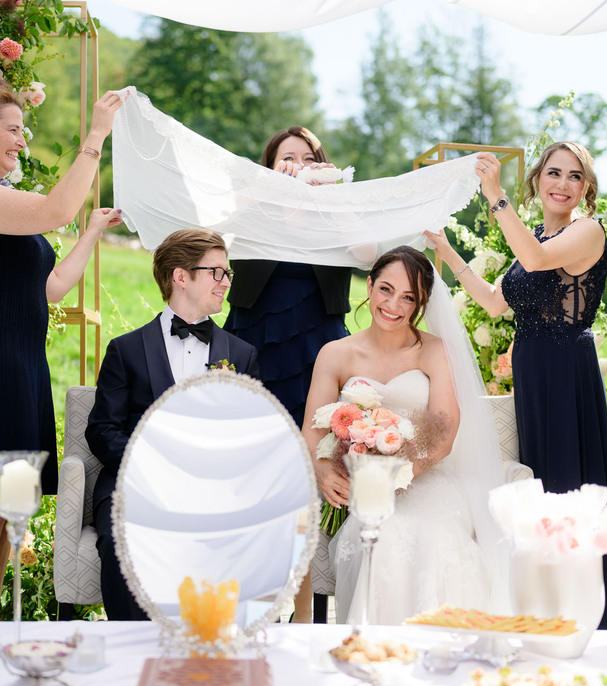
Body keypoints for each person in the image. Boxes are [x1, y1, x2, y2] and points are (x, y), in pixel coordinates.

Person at [0, 86, 126, 622]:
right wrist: (96, 136)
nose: (21, 140)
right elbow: (57, 210)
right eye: (12, 129)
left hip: (19, 363)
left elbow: (51, 287)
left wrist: (92, 232)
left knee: (12, 502)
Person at [424, 142, 607, 630]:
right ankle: (541, 613)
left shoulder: (588, 232)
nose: (562, 183)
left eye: (574, 176)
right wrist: (448, 253)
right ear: (537, 180)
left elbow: (534, 260)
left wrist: (494, 194)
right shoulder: (533, 235)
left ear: (586, 190)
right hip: (533, 378)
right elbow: (495, 304)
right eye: (553, 173)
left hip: (564, 375)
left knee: (564, 489)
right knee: (537, 490)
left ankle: (584, 621)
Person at [302, 246, 497, 625]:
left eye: (408, 297)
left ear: (421, 304)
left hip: (427, 479)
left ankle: (443, 642)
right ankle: (371, 649)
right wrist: (325, 470)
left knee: (435, 533)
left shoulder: (436, 352)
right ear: (370, 286)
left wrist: (398, 475)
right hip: (362, 485)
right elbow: (313, 428)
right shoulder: (335, 354)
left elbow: (443, 434)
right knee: (384, 535)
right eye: (386, 289)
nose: (394, 304)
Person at [85, 228, 259, 621]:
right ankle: (132, 654)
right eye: (217, 272)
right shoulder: (126, 350)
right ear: (181, 276)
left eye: (228, 273)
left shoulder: (242, 355)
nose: (226, 282)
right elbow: (102, 430)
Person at [223, 126, 352, 623]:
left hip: (317, 353)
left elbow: (367, 255)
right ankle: (245, 607)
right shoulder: (254, 209)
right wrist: (263, 192)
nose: (295, 165)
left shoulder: (331, 213)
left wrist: (332, 199)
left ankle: (300, 620)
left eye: (306, 157)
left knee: (301, 475)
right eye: (284, 159)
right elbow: (217, 237)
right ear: (269, 166)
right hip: (254, 345)